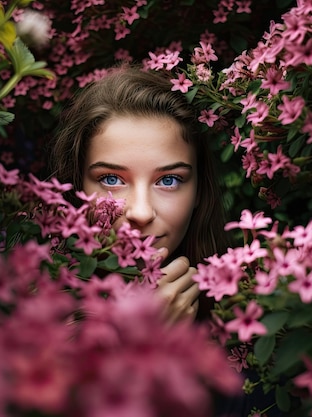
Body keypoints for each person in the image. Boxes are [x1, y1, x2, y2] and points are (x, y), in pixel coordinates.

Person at [48, 66, 230, 322]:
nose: (141, 213)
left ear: (199, 190)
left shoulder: (241, 313)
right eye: (111, 179)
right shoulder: (36, 320)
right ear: (78, 188)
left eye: (169, 180)